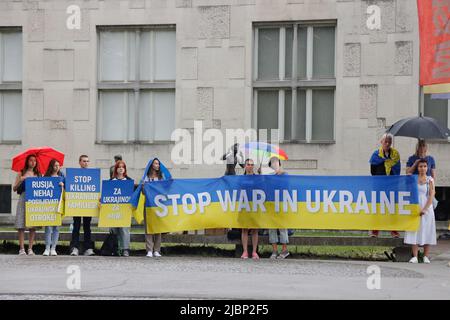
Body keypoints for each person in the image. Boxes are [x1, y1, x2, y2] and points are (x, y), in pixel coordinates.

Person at [404, 159, 437, 263]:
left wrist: (425, 209)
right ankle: (415, 256)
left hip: (427, 207)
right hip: (415, 206)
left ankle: (426, 256)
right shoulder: (413, 179)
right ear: (417, 168)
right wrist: (414, 163)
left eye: (424, 166)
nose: (422, 168)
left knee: (427, 229)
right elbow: (408, 174)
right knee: (414, 229)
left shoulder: (430, 180)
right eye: (420, 166)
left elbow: (431, 194)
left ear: (427, 168)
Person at [369, 133, 401, 238]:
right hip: (379, 186)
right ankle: (375, 231)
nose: (387, 144)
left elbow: (397, 170)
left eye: (389, 142)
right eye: (385, 142)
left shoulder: (395, 154)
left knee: (392, 208)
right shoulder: (376, 154)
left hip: (391, 185)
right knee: (377, 208)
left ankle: (394, 230)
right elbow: (373, 171)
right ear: (381, 142)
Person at [12, 154, 41, 255]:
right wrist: (21, 179)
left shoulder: (38, 174)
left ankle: (30, 248)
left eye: (35, 161)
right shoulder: (21, 173)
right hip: (23, 198)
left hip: (34, 199)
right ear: (27, 161)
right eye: (31, 160)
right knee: (21, 224)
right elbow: (14, 188)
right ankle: (21, 249)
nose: (33, 162)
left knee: (32, 225)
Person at [142, 158, 171, 258]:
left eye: (158, 163)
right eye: (155, 163)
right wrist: (144, 187)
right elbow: (143, 192)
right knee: (149, 228)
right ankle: (149, 250)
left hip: (159, 205)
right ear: (151, 165)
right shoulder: (146, 177)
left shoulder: (161, 177)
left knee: (158, 227)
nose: (157, 165)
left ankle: (157, 250)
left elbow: (165, 189)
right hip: (148, 205)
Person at [70, 155, 95, 256]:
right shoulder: (74, 174)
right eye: (84, 161)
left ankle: (88, 248)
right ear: (79, 162)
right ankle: (74, 248)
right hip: (77, 203)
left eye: (87, 161)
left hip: (88, 204)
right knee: (76, 226)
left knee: (87, 226)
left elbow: (94, 188)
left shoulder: (92, 174)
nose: (86, 163)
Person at [267, 156, 290, 259]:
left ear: (279, 163)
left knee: (282, 227)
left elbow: (287, 186)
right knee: (271, 227)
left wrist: (281, 175)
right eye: (272, 163)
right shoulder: (269, 175)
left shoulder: (284, 174)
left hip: (282, 204)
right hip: (271, 204)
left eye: (276, 162)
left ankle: (284, 250)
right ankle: (275, 250)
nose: (274, 164)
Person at [109, 160, 133, 257]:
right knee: (113, 229)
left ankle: (125, 249)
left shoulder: (128, 181)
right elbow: (107, 194)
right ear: (116, 169)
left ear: (125, 169)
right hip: (113, 208)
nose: (121, 168)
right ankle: (114, 248)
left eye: (123, 167)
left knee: (124, 229)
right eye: (119, 167)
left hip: (124, 209)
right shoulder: (111, 181)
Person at [43, 159, 65, 256]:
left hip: (58, 204)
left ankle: (53, 248)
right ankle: (47, 247)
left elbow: (67, 191)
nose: (57, 167)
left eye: (58, 165)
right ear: (51, 166)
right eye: (55, 165)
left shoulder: (62, 177)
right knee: (48, 226)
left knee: (56, 227)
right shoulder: (46, 177)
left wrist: (62, 186)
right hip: (48, 204)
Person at [240, 159, 259, 260]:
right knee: (244, 229)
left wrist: (262, 177)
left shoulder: (258, 177)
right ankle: (245, 251)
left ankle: (254, 252)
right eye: (248, 164)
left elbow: (262, 188)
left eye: (252, 164)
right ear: (245, 166)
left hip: (255, 205)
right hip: (244, 205)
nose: (250, 166)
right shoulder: (241, 178)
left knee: (255, 229)